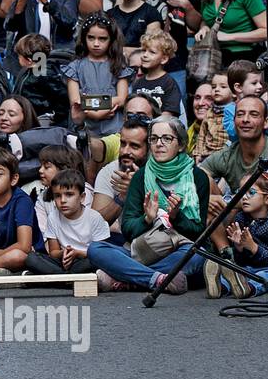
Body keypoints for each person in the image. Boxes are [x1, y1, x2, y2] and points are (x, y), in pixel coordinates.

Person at [87, 116, 209, 294]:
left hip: (177, 249)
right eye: (154, 139)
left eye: (167, 138)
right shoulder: (140, 177)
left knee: (198, 254)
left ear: (181, 145)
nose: (159, 144)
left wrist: (176, 217)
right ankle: (157, 279)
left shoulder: (198, 177)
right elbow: (128, 229)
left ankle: (128, 278)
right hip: (141, 249)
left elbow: (198, 232)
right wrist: (147, 218)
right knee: (95, 249)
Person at [25, 169, 109, 277]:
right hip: (63, 261)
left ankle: (60, 278)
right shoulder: (53, 217)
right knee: (31, 258)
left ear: (82, 197)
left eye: (69, 195)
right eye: (58, 196)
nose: (63, 200)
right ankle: (68, 278)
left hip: (85, 259)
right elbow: (53, 252)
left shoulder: (94, 217)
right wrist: (64, 253)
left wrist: (77, 253)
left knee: (98, 262)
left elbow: (103, 253)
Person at [65, 13, 132, 136]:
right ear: (84, 38)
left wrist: (89, 104)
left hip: (114, 127)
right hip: (84, 128)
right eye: (91, 38)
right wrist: (95, 114)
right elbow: (76, 102)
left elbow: (122, 99)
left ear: (111, 39)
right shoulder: (75, 67)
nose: (96, 43)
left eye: (102, 39)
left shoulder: (118, 65)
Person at [91, 116, 151, 227]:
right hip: (119, 239)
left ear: (149, 149)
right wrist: (122, 197)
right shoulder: (111, 172)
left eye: (134, 146)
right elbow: (94, 225)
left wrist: (136, 190)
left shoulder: (161, 171)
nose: (125, 151)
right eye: (123, 144)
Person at [107, 0, 165, 65]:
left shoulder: (151, 13)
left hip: (141, 71)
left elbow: (151, 48)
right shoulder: (110, 14)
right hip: (113, 69)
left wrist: (120, 50)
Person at [129, 29, 181, 118]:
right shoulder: (138, 83)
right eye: (144, 50)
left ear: (164, 59)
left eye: (152, 52)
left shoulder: (169, 83)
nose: (145, 55)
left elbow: (169, 114)